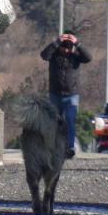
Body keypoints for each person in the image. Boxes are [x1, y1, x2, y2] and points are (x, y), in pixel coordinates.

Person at [40, 30, 92, 159]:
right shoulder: (54, 54)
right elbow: (44, 55)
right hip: (55, 94)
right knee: (54, 122)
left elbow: (88, 58)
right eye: (64, 47)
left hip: (71, 95)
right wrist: (56, 42)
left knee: (70, 120)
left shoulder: (76, 55)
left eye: (69, 48)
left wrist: (77, 43)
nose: (67, 50)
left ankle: (69, 148)